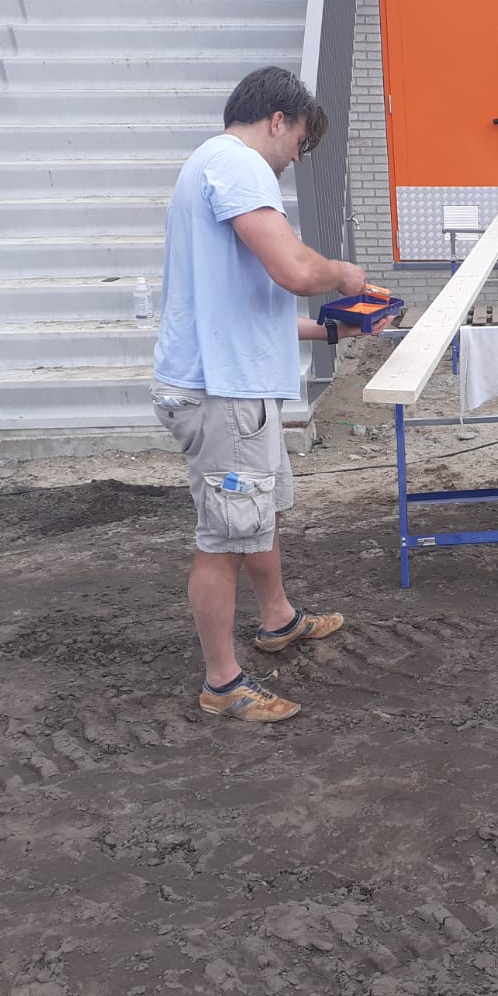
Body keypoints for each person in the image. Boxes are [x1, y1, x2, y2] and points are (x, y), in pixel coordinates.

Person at [150, 66, 378, 723]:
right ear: (278, 119)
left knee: (260, 511)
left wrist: (327, 328)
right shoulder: (239, 164)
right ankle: (222, 684)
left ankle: (277, 618)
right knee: (224, 537)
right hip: (222, 394)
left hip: (235, 386)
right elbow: (295, 271)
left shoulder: (213, 167)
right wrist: (344, 276)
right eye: (300, 142)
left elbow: (248, 300)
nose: (295, 158)